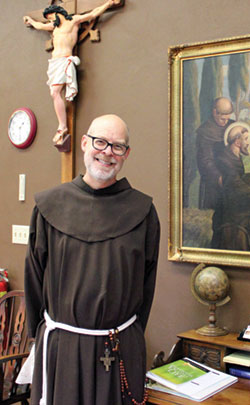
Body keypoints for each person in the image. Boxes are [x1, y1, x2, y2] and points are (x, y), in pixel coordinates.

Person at [24, 114, 160, 405]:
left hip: (119, 345)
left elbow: (146, 287)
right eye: (100, 142)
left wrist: (126, 333)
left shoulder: (144, 212)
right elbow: (34, 280)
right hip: (64, 350)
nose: (107, 152)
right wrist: (46, 332)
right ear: (85, 143)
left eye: (117, 146)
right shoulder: (49, 206)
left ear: (126, 154)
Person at [23, 1, 120, 150]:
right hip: (54, 63)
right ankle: (62, 125)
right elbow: (39, 26)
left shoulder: (74, 21)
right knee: (54, 93)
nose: (50, 21)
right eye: (48, 19)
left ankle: (62, 126)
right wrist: (30, 21)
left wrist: (109, 3)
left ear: (57, 13)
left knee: (55, 92)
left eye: (50, 17)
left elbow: (93, 14)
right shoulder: (54, 28)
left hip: (64, 60)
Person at [196, 97, 235, 209]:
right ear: (215, 112)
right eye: (223, 119)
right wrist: (219, 177)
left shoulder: (232, 126)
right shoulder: (204, 131)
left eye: (228, 119)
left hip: (231, 179)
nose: (226, 122)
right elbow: (205, 161)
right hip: (212, 183)